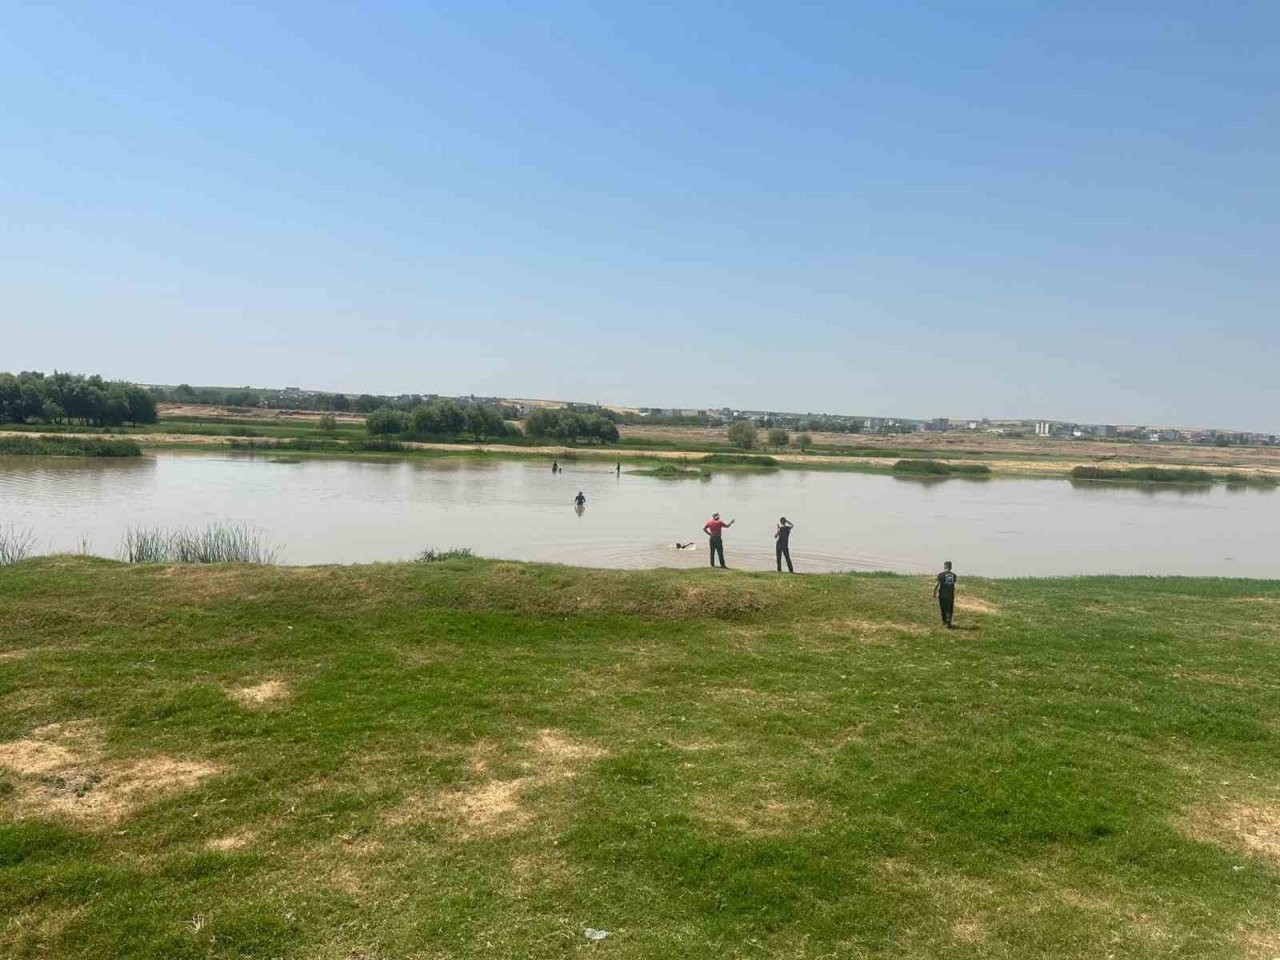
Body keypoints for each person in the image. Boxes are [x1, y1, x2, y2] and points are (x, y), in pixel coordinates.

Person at [933, 560, 958, 627]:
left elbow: (937, 584)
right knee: (949, 608)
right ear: (951, 567)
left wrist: (934, 592)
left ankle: (944, 621)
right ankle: (949, 621)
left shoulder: (941, 575)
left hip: (942, 594)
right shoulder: (954, 575)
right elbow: (953, 584)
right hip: (950, 594)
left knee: (943, 608)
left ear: (945, 566)